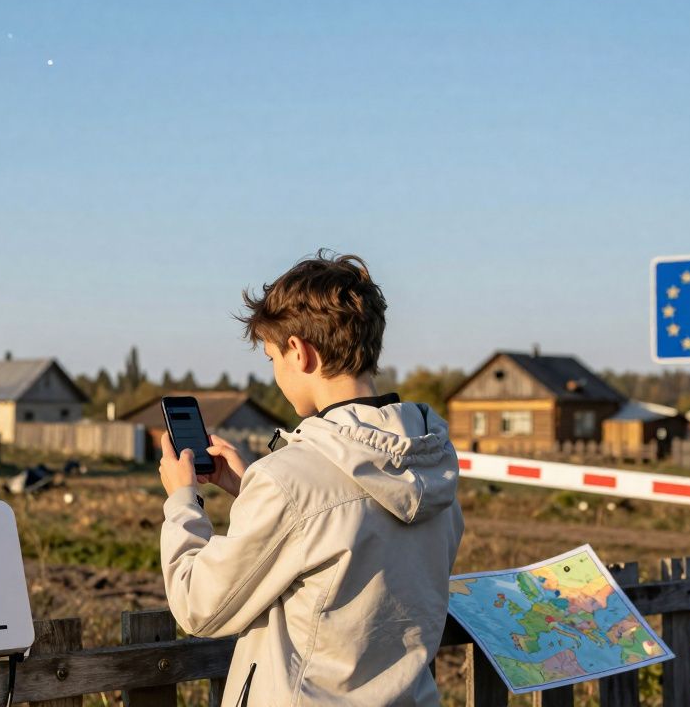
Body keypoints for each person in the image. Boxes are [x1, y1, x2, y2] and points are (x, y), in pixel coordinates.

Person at [158, 251, 464, 706]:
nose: (276, 371)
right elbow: (349, 530)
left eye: (272, 356)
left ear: (299, 352)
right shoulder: (433, 463)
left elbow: (199, 607)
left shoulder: (290, 482)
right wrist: (252, 488)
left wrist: (183, 499)